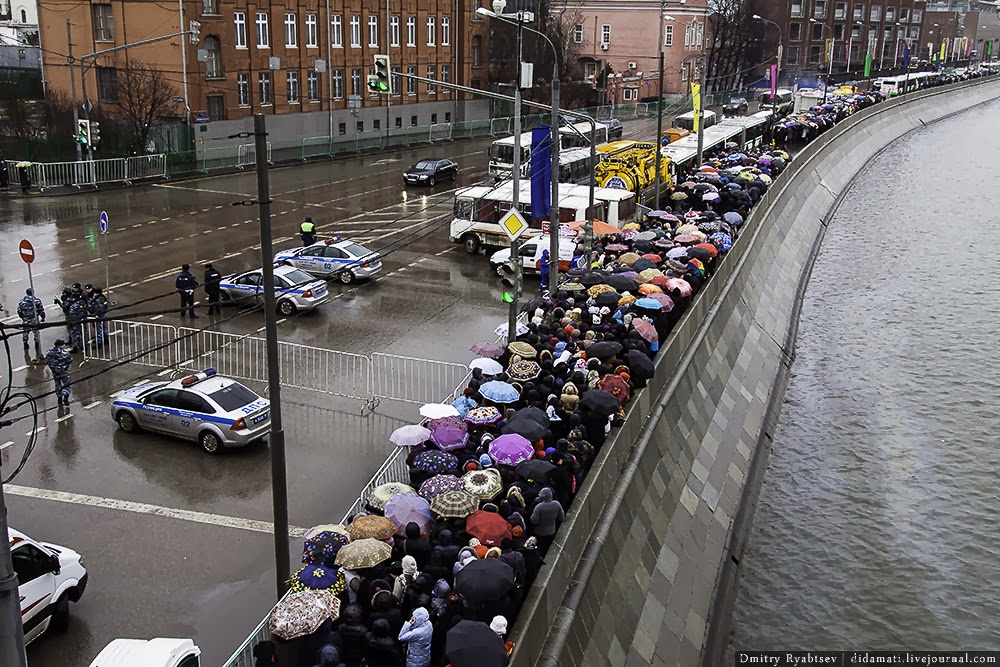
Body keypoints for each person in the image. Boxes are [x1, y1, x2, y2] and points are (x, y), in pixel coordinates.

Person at [529, 487, 565, 554]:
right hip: (552, 530)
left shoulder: (538, 507)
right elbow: (561, 517)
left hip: (540, 532)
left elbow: (534, 521)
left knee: (542, 548)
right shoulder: (557, 504)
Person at [45, 339, 72, 406]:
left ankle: (59, 398)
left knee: (57, 385)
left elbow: (47, 360)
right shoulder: (64, 353)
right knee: (67, 384)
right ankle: (66, 397)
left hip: (55, 372)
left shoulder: (49, 352)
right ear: (61, 345)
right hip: (64, 371)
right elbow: (70, 360)